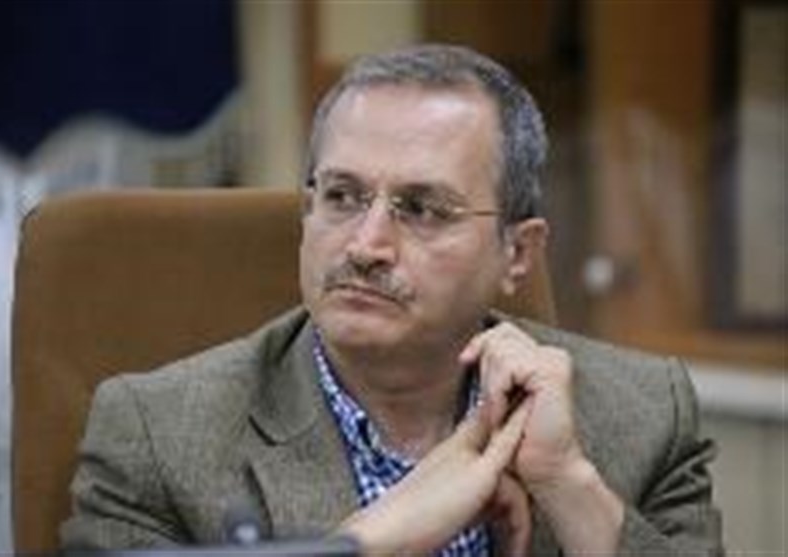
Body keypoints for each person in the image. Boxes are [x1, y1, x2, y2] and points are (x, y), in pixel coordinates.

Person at [61, 44, 723, 556]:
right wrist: (371, 541)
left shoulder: (643, 414)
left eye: (423, 208)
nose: (366, 245)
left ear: (517, 252)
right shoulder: (156, 436)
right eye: (342, 197)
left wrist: (568, 483)